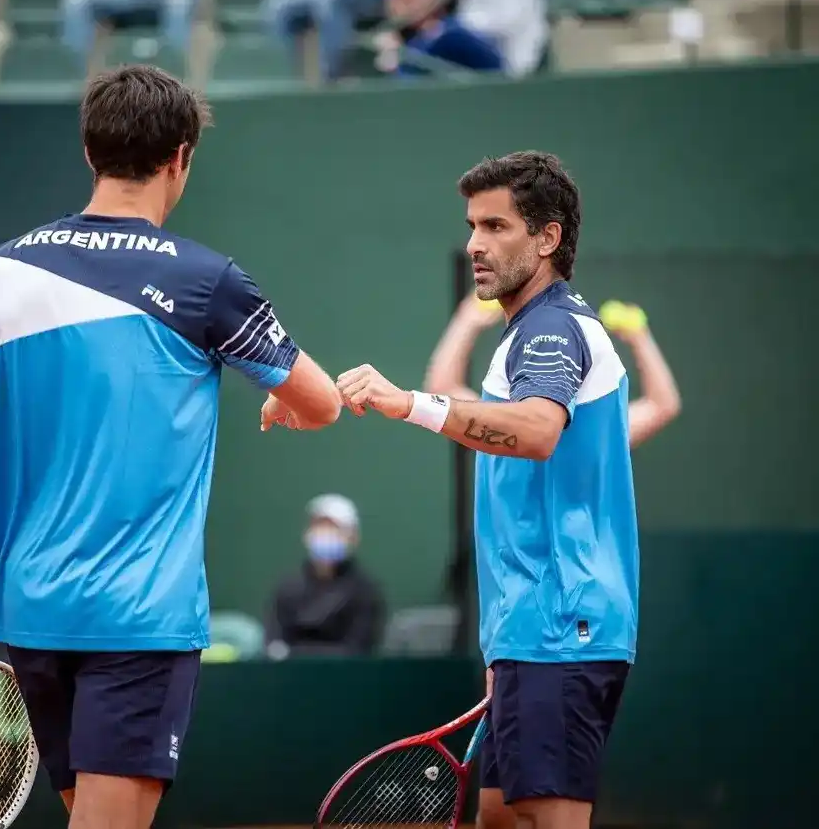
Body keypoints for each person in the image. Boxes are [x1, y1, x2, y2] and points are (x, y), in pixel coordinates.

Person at [0, 65, 343, 829]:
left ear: (89, 151)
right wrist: (279, 397)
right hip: (138, 621)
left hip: (34, 619)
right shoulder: (208, 281)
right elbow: (323, 402)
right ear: (181, 157)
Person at [331, 152, 638, 829]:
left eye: (496, 226)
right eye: (472, 226)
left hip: (561, 624)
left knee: (542, 819)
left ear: (547, 238)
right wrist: (503, 644)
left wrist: (408, 402)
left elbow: (534, 431)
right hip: (529, 632)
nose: (475, 243)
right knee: (499, 818)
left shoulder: (553, 328)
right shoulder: (524, 334)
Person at [425, 292, 681, 448]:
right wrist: (468, 319)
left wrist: (467, 319)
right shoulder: (504, 427)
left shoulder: (596, 433)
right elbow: (441, 390)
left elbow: (662, 406)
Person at [265, 493, 385, 659]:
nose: (325, 535)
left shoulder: (365, 591)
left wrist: (297, 653)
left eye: (334, 529)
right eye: (319, 527)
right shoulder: (288, 586)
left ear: (353, 538)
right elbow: (273, 642)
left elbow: (358, 649)